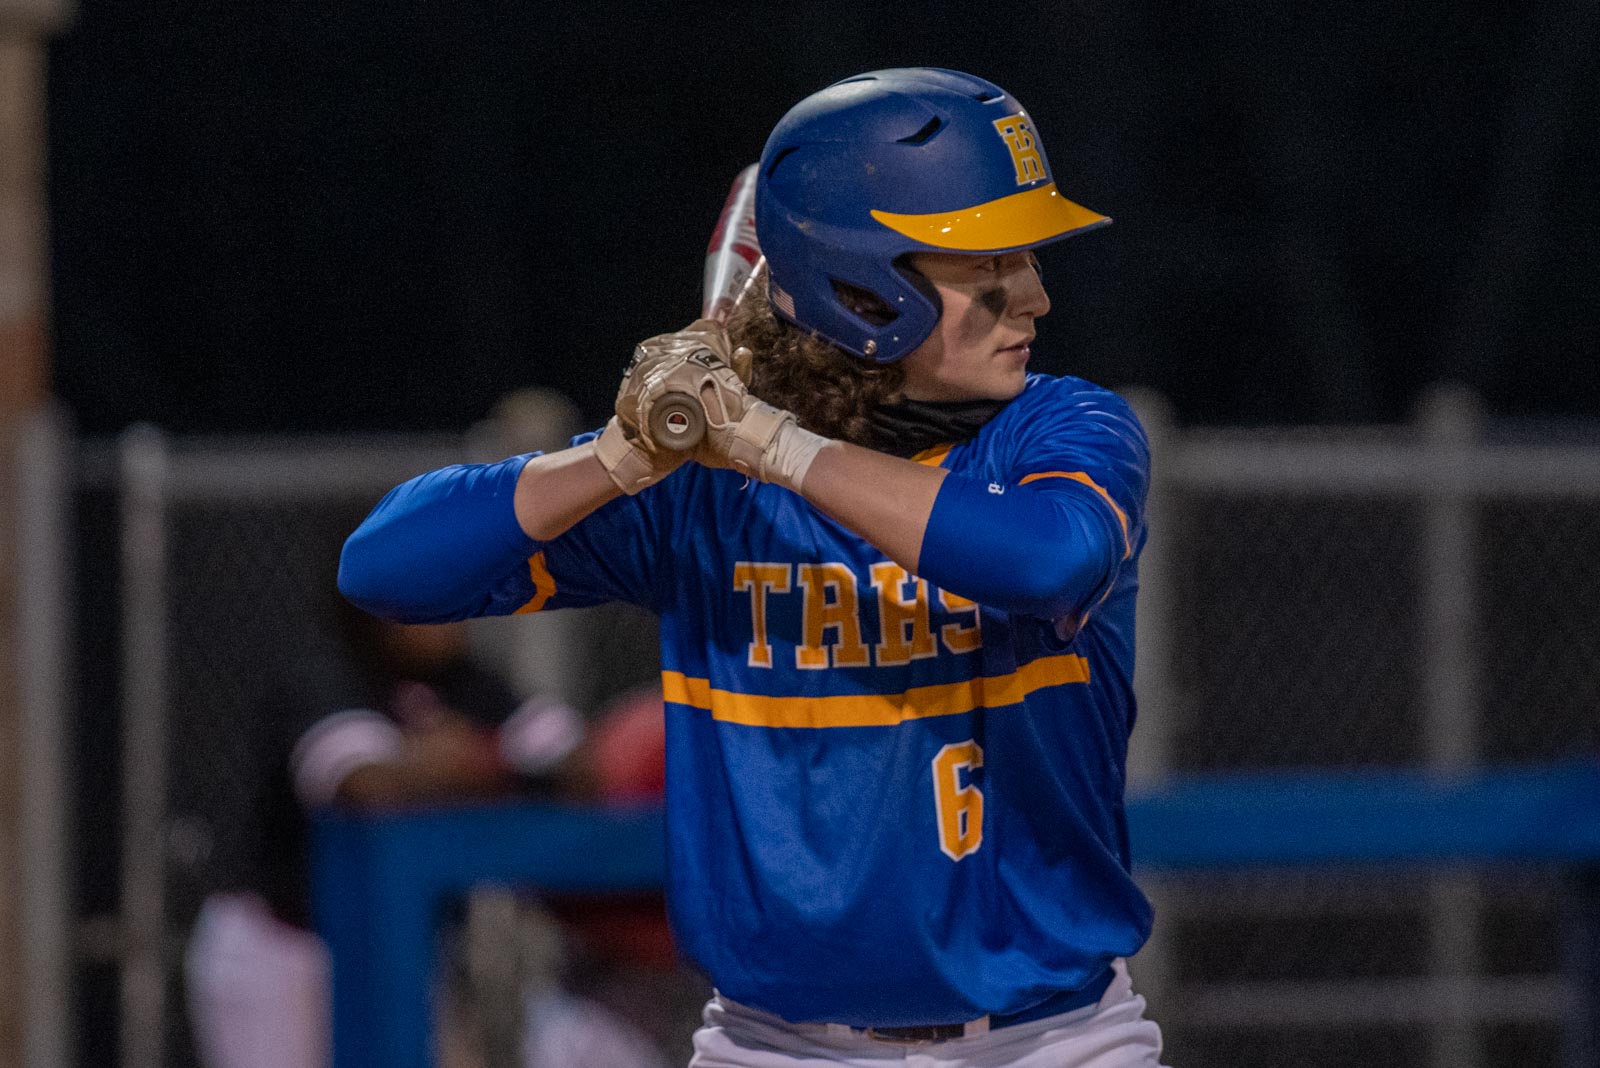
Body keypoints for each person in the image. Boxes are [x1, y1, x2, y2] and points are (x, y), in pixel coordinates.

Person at [340, 67, 1166, 1067]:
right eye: (986, 264)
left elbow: (1046, 560)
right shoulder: (704, 488)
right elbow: (387, 569)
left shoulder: (1061, 429)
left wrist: (773, 444)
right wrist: (617, 459)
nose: (1032, 295)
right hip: (772, 1046)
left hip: (1051, 1042)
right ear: (862, 285)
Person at [184, 603, 669, 1068]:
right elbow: (366, 786)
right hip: (280, 945)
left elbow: (580, 767)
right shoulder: (328, 673)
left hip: (397, 946)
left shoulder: (470, 681)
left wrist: (462, 760)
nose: (449, 622)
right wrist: (481, 765)